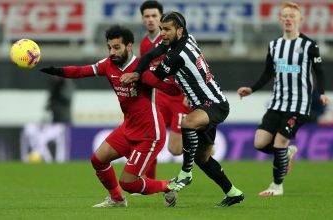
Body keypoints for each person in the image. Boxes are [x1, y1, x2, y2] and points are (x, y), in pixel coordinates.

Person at [40, 25, 182, 207]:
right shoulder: (108, 65)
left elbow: (170, 88)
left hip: (149, 133)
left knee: (129, 183)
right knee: (98, 160)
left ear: (129, 46)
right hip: (128, 127)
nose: (112, 52)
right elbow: (81, 71)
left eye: (117, 47)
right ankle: (117, 199)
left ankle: (169, 186)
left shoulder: (142, 68)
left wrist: (173, 85)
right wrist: (56, 70)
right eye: (109, 47)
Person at [121, 11, 244, 207]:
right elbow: (150, 54)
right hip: (206, 105)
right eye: (161, 29)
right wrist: (137, 71)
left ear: (180, 30)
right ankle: (233, 192)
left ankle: (185, 173)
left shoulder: (176, 55)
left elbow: (155, 77)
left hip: (214, 105)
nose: (162, 33)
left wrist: (138, 76)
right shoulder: (185, 39)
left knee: (187, 122)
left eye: (167, 29)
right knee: (202, 158)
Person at [237, 2, 330, 196]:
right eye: (285, 16)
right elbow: (267, 73)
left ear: (299, 20)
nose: (288, 19)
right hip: (278, 103)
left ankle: (276, 186)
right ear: (280, 19)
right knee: (259, 143)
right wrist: (251, 89)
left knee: (280, 141)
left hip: (299, 105)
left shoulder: (309, 46)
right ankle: (286, 153)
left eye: (292, 16)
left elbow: (319, 72)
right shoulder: (274, 45)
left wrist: (321, 93)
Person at [139, 0, 191, 179]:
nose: (151, 20)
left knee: (175, 149)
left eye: (154, 16)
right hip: (160, 96)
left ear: (161, 18)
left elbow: (189, 64)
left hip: (179, 95)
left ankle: (203, 139)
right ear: (142, 19)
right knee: (150, 136)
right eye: (147, 16)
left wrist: (189, 92)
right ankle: (149, 181)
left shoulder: (172, 38)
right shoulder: (145, 43)